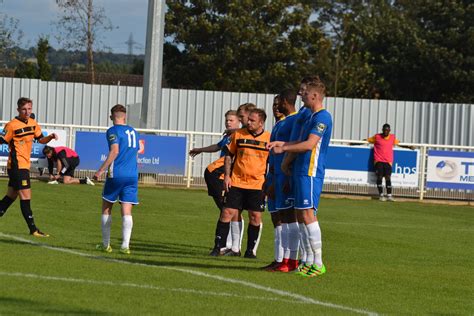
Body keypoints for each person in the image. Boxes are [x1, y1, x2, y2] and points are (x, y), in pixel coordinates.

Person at [268, 78, 332, 278]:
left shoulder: (323, 117)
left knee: (307, 215)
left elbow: (309, 145)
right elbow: (301, 140)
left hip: (310, 171)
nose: (301, 95)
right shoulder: (310, 115)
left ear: (314, 96)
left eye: (304, 92)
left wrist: (284, 148)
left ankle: (318, 263)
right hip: (300, 170)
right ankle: (308, 261)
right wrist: (282, 144)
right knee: (301, 216)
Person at [210, 108, 271, 259]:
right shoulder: (238, 134)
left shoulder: (269, 138)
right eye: (248, 119)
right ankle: (218, 247)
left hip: (257, 184)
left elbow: (272, 162)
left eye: (252, 120)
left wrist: (269, 182)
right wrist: (227, 177)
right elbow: (229, 156)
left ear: (261, 122)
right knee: (226, 213)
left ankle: (250, 251)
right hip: (237, 182)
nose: (248, 122)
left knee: (255, 216)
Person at [0, 97, 58, 237]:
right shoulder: (11, 125)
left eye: (29, 109)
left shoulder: (33, 123)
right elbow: (1, 140)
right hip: (17, 166)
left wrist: (49, 137)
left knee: (11, 196)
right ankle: (33, 229)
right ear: (18, 110)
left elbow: (40, 139)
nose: (27, 112)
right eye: (24, 109)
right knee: (25, 197)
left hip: (24, 165)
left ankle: (33, 229)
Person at [189, 110, 244, 254]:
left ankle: (232, 245)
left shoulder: (239, 134)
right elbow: (217, 147)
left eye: (231, 120)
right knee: (226, 209)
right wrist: (200, 149)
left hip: (228, 177)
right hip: (220, 177)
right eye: (227, 120)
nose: (228, 122)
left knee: (230, 210)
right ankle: (230, 245)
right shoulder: (228, 136)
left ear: (239, 121)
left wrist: (235, 130)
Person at [93, 104, 139, 255]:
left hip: (117, 174)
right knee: (126, 210)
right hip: (132, 175)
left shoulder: (112, 131)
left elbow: (114, 151)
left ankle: (106, 245)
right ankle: (125, 246)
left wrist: (100, 170)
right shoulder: (134, 131)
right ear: (125, 116)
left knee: (107, 206)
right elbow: (136, 154)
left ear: (111, 116)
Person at [261, 95, 285, 270]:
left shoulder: (287, 124)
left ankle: (285, 259)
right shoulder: (277, 125)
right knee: (275, 218)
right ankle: (279, 259)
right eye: (274, 105)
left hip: (281, 176)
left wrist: (276, 177)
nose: (276, 108)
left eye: (279, 104)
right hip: (272, 175)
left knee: (284, 219)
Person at [366, 124, 414, 202]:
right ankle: (381, 195)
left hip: (388, 161)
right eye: (384, 130)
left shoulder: (392, 138)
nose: (386, 131)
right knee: (380, 177)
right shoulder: (377, 137)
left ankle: (389, 195)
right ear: (382, 130)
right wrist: (353, 143)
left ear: (389, 131)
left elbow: (400, 144)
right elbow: (366, 140)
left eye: (387, 130)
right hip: (378, 161)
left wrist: (409, 147)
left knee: (388, 177)